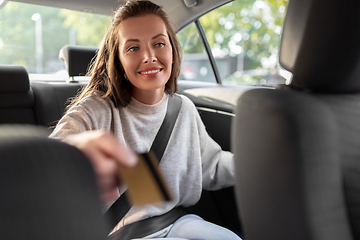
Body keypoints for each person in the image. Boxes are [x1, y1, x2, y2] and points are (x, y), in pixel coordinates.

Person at [50, 1, 240, 239]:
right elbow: (47, 158)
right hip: (120, 230)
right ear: (118, 60)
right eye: (133, 48)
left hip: (175, 219)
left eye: (159, 43)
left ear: (172, 49)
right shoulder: (94, 109)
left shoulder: (183, 109)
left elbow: (210, 166)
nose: (149, 56)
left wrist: (255, 164)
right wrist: (76, 153)